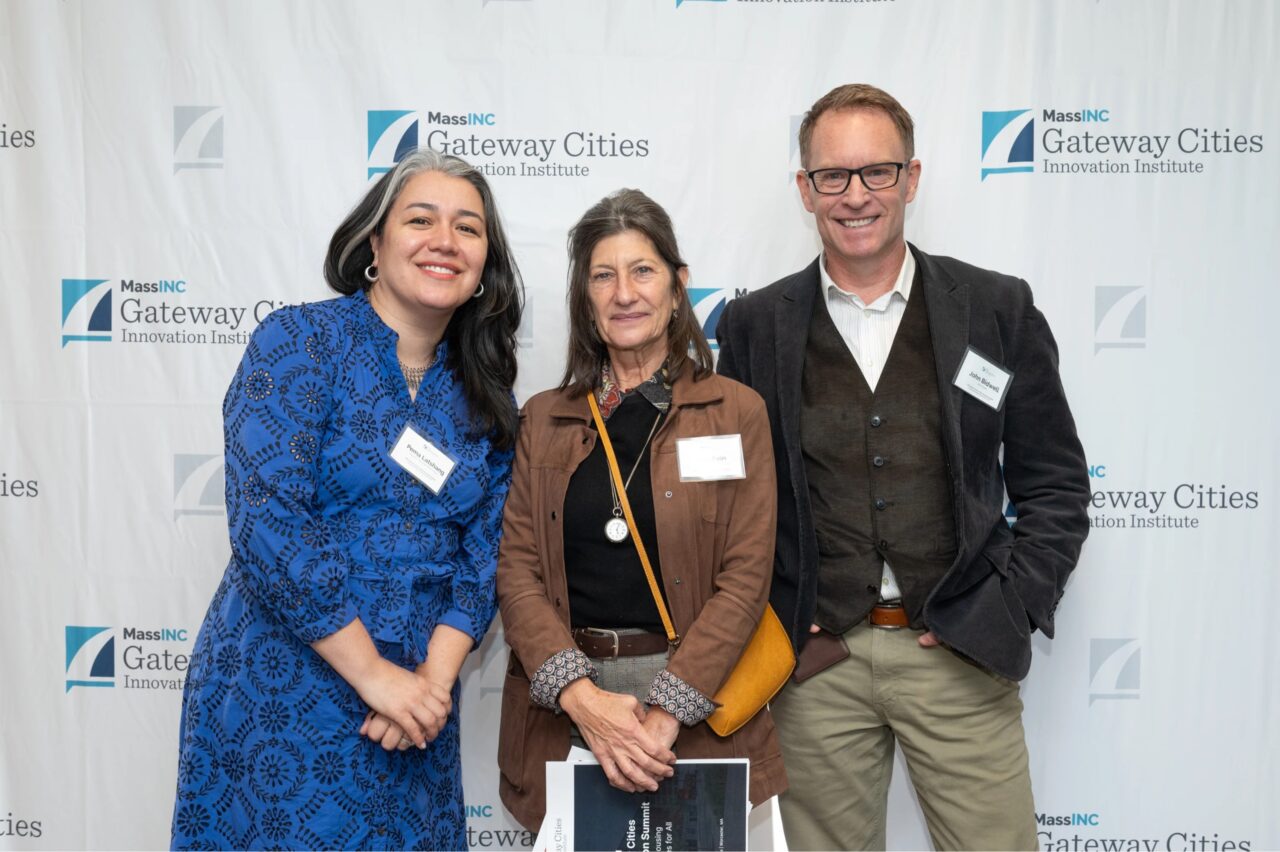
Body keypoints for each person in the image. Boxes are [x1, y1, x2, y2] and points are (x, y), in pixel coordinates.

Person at [715, 84, 1091, 850]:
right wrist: (779, 608)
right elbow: (731, 496)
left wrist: (1010, 606)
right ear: (805, 190)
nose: (856, 196)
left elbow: (1055, 484)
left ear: (911, 179)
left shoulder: (995, 308)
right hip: (817, 667)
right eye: (833, 177)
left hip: (959, 652)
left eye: (877, 172)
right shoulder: (757, 325)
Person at [170, 149, 523, 850]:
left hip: (415, 711)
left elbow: (489, 554)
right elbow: (269, 520)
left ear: (486, 262)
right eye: (421, 219)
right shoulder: (300, 342)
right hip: (285, 690)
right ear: (375, 242)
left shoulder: (487, 393)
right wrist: (373, 676)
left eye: (468, 228)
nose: (444, 242)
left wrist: (427, 684)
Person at [495, 189, 788, 831]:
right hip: (566, 703)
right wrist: (583, 700)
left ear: (678, 288)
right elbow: (516, 572)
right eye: (604, 275)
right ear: (586, 297)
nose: (624, 292)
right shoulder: (544, 418)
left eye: (643, 271)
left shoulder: (736, 412)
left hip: (694, 704)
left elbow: (745, 579)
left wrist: (664, 714)